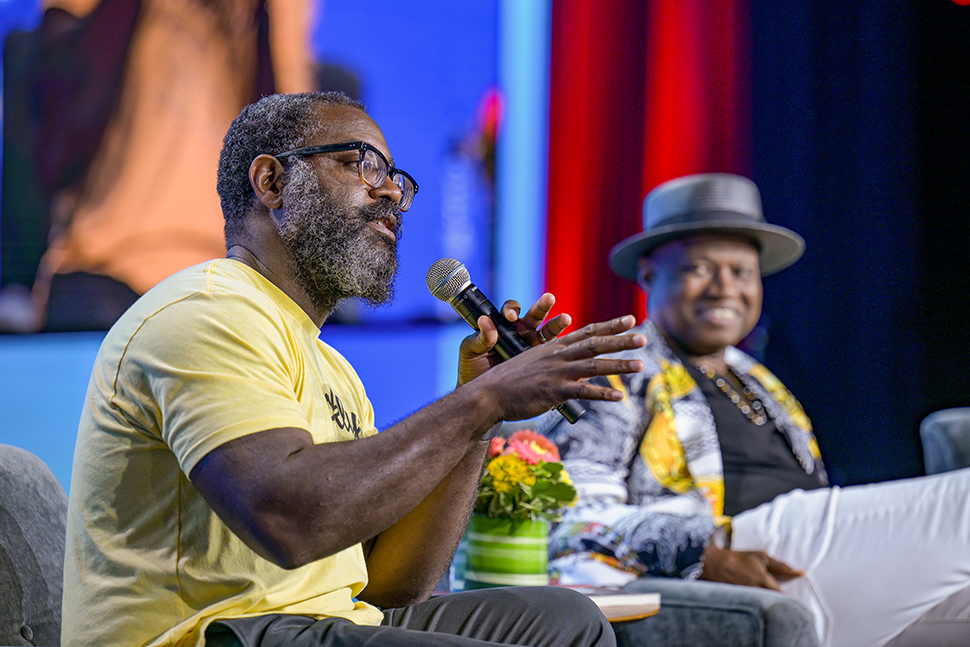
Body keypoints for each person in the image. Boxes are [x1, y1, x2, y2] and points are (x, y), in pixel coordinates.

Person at [60, 90, 648, 647]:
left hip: (318, 627)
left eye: (397, 179)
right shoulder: (208, 312)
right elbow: (288, 521)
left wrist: (477, 410)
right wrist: (487, 399)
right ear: (272, 181)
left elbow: (393, 582)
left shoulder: (329, 364)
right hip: (219, 633)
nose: (391, 193)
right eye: (362, 164)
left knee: (564, 622)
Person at [537, 173, 970, 647]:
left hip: (808, 565)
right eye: (700, 268)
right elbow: (572, 519)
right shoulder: (617, 370)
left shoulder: (759, 381)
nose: (725, 288)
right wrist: (702, 548)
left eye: (742, 272)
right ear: (649, 275)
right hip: (732, 546)